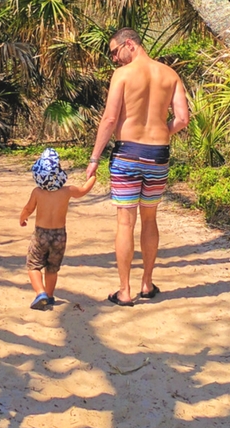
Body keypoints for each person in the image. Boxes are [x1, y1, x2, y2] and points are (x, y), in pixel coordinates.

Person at [86, 28, 190, 306]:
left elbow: (109, 119)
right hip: (158, 155)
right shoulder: (170, 75)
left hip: (128, 154)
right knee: (150, 218)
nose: (114, 60)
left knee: (125, 221)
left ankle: (125, 291)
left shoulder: (122, 75)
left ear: (129, 45)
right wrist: (161, 132)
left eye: (114, 53)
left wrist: (94, 158)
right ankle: (146, 283)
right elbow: (182, 118)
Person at [20, 147, 97, 311]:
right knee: (52, 268)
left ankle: (40, 292)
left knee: (33, 266)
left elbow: (28, 209)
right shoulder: (67, 191)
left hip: (41, 234)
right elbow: (84, 190)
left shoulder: (37, 192)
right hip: (59, 235)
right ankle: (49, 295)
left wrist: (22, 218)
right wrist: (93, 177)